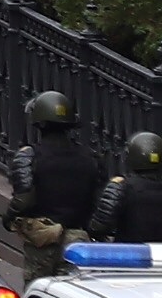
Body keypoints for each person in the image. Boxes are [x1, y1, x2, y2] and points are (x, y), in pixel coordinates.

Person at [7, 93, 109, 258]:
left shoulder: (29, 156)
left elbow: (23, 199)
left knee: (38, 283)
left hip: (44, 240)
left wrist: (9, 217)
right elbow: (100, 205)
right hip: (79, 242)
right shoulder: (92, 159)